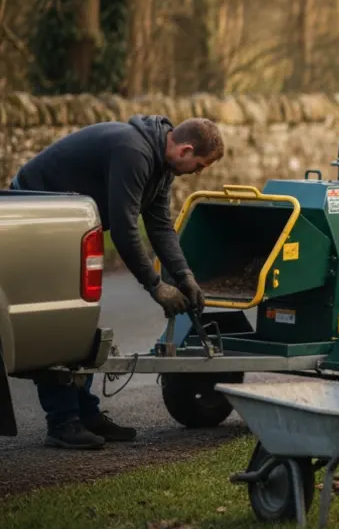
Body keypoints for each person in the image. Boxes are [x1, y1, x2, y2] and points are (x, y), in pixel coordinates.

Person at [8, 115, 225, 449]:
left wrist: (185, 277)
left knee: (80, 321)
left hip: (67, 223)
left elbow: (160, 226)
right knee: (60, 322)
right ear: (185, 149)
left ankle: (86, 415)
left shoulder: (160, 164)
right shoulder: (133, 151)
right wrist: (155, 285)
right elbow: (125, 231)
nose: (197, 172)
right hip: (37, 216)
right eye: (199, 165)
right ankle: (63, 423)